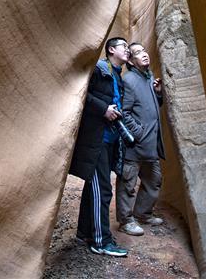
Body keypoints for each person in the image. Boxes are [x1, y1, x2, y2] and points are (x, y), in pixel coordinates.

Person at [68, 36, 130, 257]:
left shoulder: (116, 76)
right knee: (102, 190)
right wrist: (104, 108)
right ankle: (100, 241)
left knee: (95, 188)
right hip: (96, 141)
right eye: (124, 47)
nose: (128, 50)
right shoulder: (99, 69)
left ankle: (86, 232)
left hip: (108, 140)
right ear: (112, 49)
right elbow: (80, 93)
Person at [116, 42, 165, 236]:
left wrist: (158, 93)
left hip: (151, 145)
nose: (144, 54)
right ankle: (126, 221)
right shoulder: (129, 80)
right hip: (135, 145)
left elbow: (151, 108)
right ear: (131, 60)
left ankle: (143, 214)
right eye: (137, 53)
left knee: (153, 181)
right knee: (128, 183)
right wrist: (138, 133)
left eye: (144, 50)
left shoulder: (148, 77)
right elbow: (124, 112)